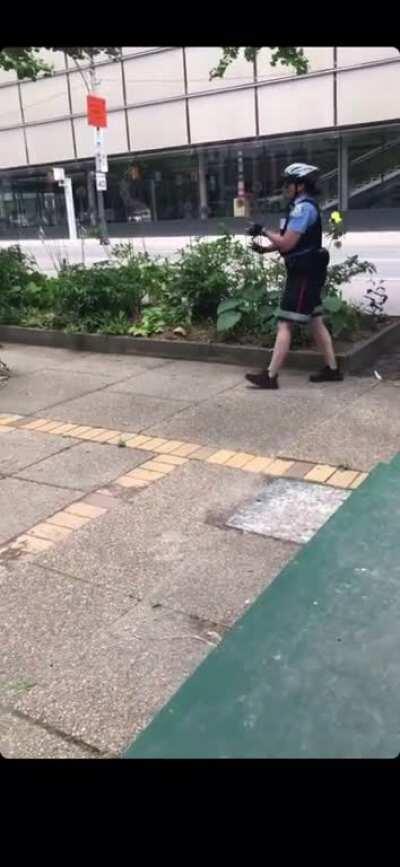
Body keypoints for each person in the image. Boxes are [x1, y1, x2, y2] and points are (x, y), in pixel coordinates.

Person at [245, 163, 343, 390]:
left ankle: (270, 376)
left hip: (303, 275)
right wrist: (266, 248)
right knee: (316, 321)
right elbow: (291, 240)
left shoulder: (302, 209)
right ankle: (332, 370)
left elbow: (287, 242)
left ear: (300, 185)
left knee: (284, 323)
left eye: (288, 183)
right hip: (309, 272)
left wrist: (262, 231)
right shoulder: (301, 207)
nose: (285, 187)